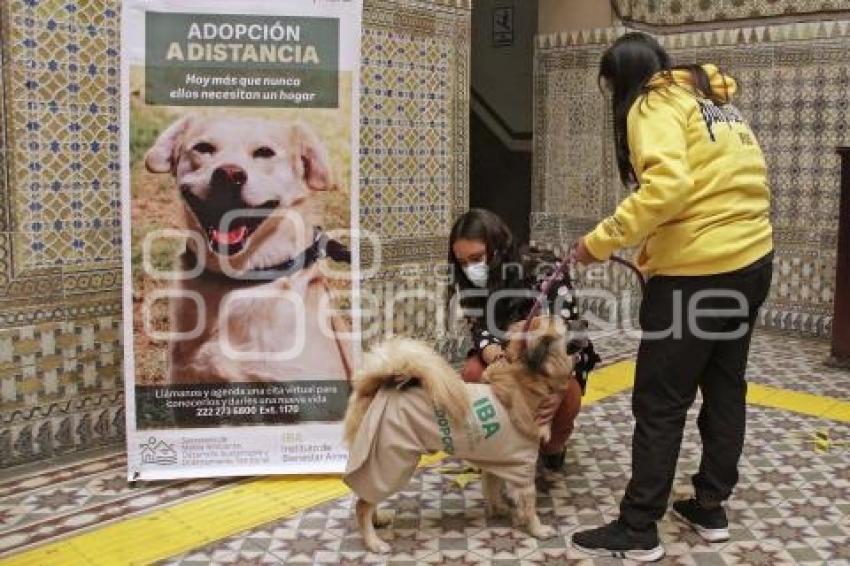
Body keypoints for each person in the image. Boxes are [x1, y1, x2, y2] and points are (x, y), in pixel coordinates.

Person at [569, 32, 774, 562]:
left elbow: (667, 188)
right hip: (752, 260)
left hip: (698, 273)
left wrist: (597, 243)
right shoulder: (709, 101)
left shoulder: (651, 103)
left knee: (660, 402)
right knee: (725, 383)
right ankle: (710, 504)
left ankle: (638, 528)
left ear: (620, 79)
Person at [447, 208, 599, 471]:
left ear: (497, 248)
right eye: (463, 262)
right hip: (508, 356)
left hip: (551, 356)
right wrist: (497, 358)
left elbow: (570, 336)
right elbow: (480, 330)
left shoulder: (545, 270)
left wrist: (557, 386)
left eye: (477, 258)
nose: (471, 269)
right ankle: (497, 444)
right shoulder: (470, 284)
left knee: (567, 396)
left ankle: (553, 446)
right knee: (473, 374)